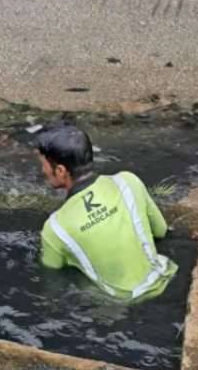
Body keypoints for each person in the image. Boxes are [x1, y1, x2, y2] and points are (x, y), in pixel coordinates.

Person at [35, 125, 178, 302]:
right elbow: (160, 231)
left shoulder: (55, 227)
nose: (43, 171)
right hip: (164, 279)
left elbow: (53, 279)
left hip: (119, 302)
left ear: (61, 171)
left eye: (44, 165)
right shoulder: (128, 181)